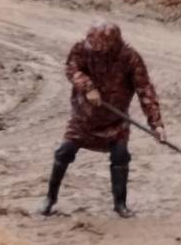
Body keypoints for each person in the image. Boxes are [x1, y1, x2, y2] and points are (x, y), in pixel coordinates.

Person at [44, 22, 167, 218]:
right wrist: (87, 87)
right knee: (64, 152)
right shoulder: (81, 49)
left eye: (100, 49)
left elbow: (145, 90)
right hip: (84, 117)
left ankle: (120, 204)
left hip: (115, 121)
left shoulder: (130, 58)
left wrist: (156, 125)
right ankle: (50, 199)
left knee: (120, 156)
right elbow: (72, 68)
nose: (95, 51)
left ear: (113, 45)